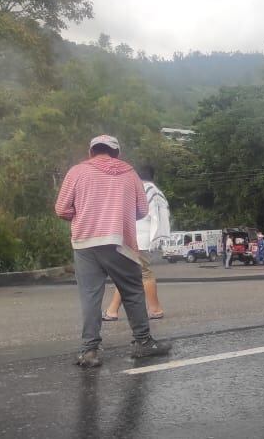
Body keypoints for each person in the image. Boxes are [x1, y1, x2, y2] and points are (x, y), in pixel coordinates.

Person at [55, 135, 171, 368]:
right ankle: (143, 342)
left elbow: (61, 209)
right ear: (116, 153)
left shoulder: (76, 172)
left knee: (90, 296)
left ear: (92, 152)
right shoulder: (129, 173)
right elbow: (141, 210)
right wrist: (120, 212)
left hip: (85, 243)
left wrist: (82, 215)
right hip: (119, 242)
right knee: (132, 291)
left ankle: (89, 351)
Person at [102, 168, 168, 322]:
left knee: (142, 274)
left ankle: (155, 309)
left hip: (137, 238)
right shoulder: (154, 191)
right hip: (140, 239)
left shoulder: (146, 190)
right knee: (126, 274)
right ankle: (112, 310)